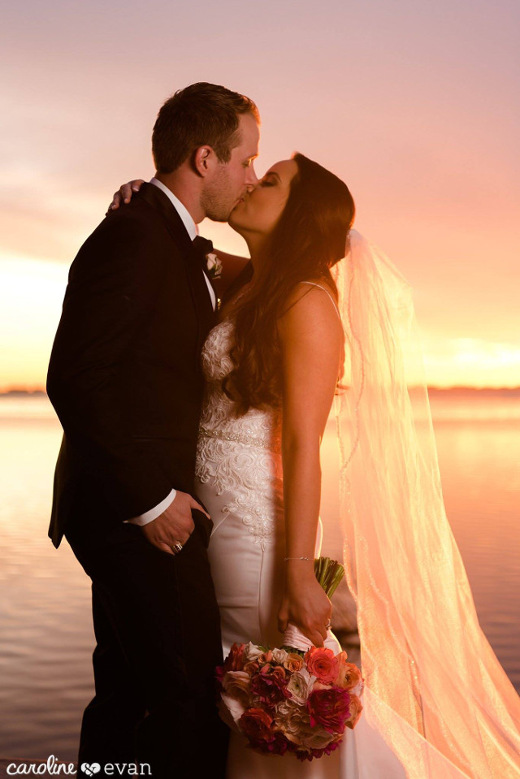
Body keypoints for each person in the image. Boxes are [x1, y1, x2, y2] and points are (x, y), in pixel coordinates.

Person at [113, 149, 520, 778]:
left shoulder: (307, 303)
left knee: (268, 698)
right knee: (236, 700)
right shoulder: (255, 284)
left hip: (256, 536)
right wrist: (147, 203)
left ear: (299, 214)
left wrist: (299, 572)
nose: (250, 181)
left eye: (269, 179)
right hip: (214, 521)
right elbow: (182, 250)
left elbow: (304, 446)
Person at [46, 82, 260, 779]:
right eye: (246, 161)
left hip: (139, 501)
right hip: (130, 507)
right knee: (184, 696)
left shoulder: (172, 237)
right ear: (206, 158)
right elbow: (77, 375)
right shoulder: (135, 235)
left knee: (129, 693)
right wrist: (149, 500)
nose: (250, 177)